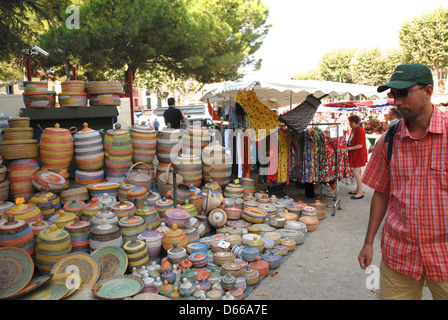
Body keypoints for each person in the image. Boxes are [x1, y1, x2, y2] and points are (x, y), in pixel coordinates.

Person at [358, 63, 448, 300]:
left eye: (403, 93)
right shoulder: (388, 141)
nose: (396, 102)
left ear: (428, 92)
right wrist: (369, 242)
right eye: (393, 95)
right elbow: (381, 193)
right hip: (400, 256)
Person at [346, 114, 368, 199]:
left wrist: (348, 148)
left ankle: (360, 191)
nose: (349, 124)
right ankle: (358, 189)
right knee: (357, 172)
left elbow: (360, 145)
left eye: (350, 122)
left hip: (358, 154)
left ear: (355, 122)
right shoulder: (354, 129)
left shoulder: (360, 131)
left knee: (356, 172)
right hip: (354, 153)